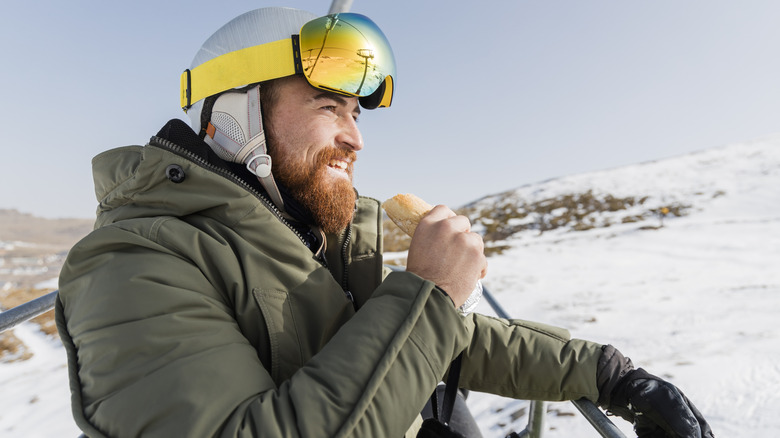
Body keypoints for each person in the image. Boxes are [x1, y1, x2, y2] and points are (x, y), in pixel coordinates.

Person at [55, 7, 714, 438]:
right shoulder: (132, 264)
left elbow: (448, 339)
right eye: (327, 106)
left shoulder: (314, 232)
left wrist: (615, 375)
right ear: (235, 115)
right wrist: (428, 291)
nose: (355, 139)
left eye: (358, 115)